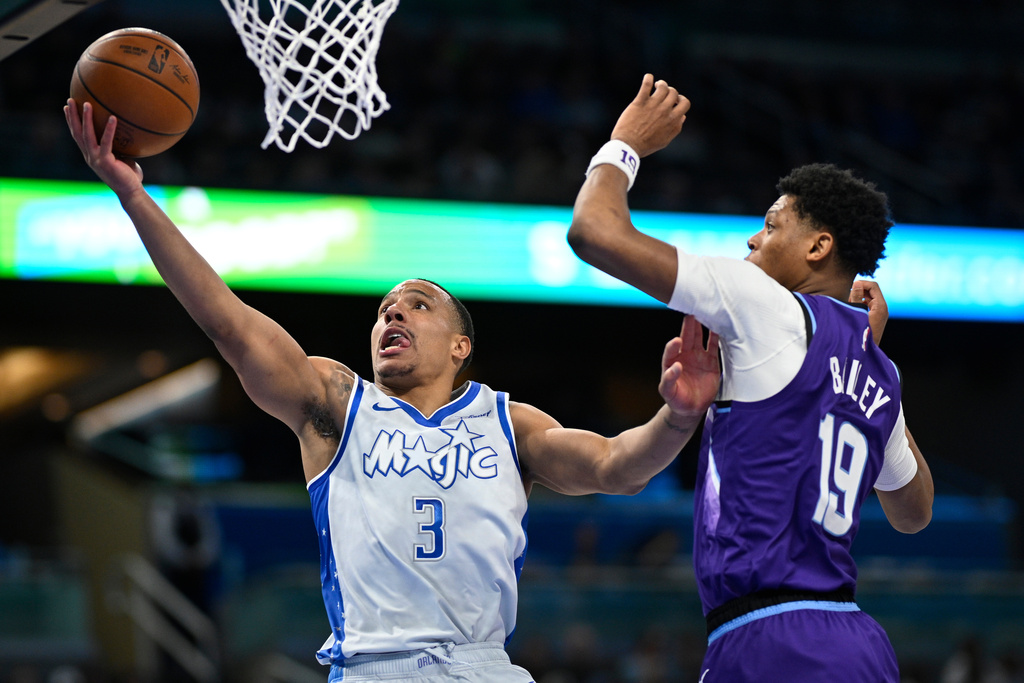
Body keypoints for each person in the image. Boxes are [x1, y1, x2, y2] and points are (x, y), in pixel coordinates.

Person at [64, 98, 722, 682]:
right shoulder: (334, 403)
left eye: (416, 305)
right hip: (376, 667)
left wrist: (678, 412)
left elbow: (617, 466)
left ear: (460, 346)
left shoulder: (509, 422)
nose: (393, 314)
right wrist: (134, 198)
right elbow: (227, 322)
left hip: (485, 666)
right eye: (383, 309)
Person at [568, 74, 934, 682]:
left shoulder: (762, 302)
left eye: (770, 224)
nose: (752, 237)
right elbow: (914, 511)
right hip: (856, 643)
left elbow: (594, 234)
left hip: (773, 641)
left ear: (818, 247)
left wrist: (623, 144)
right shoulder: (878, 370)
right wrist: (871, 361)